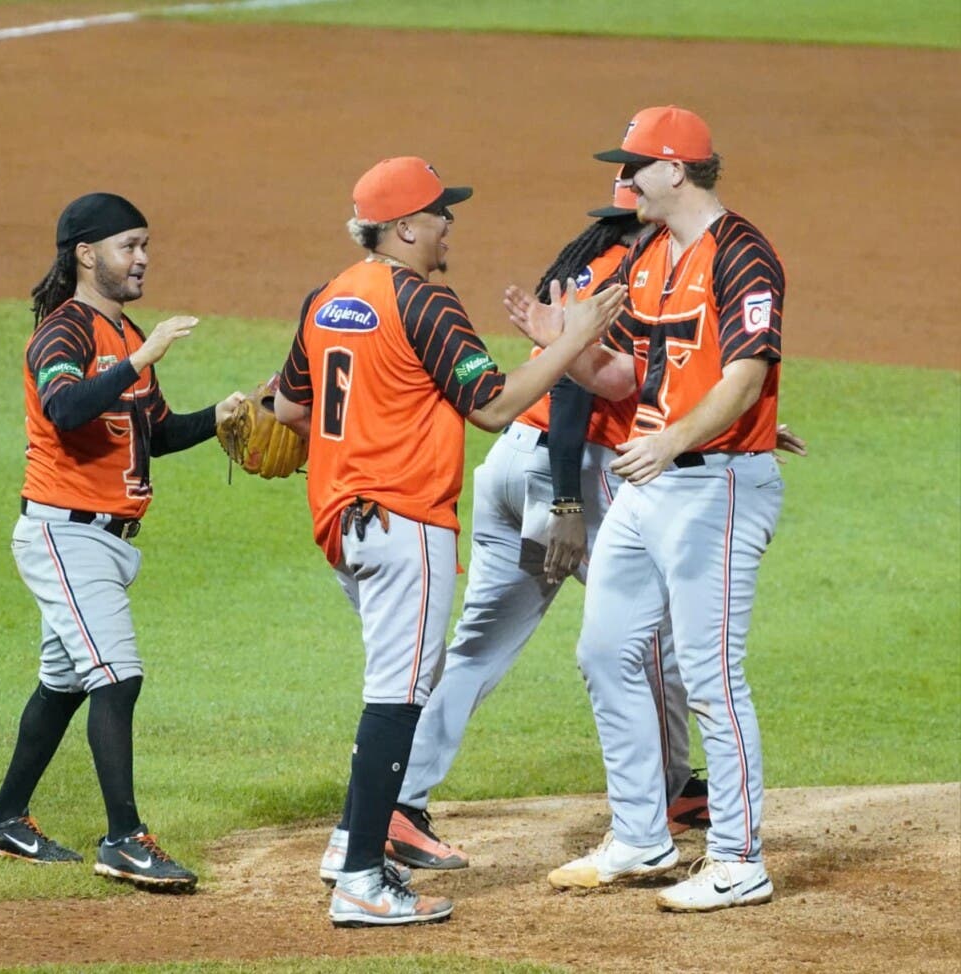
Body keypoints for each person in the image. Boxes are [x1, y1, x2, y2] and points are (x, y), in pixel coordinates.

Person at [271, 156, 629, 927]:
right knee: (397, 696)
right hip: (404, 522)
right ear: (404, 227)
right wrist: (571, 343)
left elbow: (292, 412)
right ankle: (364, 878)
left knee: (395, 684)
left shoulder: (327, 297)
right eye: (439, 214)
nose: (448, 225)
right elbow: (494, 406)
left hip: (341, 524)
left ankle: (348, 843)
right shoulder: (424, 303)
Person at [382, 178, 708, 877]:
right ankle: (670, 790)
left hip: (509, 468)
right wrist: (566, 507)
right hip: (567, 474)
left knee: (477, 649)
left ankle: (398, 800)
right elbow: (568, 386)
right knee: (652, 637)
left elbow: (654, 380)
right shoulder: (629, 274)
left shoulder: (600, 265)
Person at [509, 106, 790, 911]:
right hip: (651, 481)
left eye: (634, 165)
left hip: (716, 484)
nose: (622, 179)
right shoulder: (652, 256)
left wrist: (670, 443)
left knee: (711, 676)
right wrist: (563, 342)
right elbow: (632, 379)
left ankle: (739, 858)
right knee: (605, 650)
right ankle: (641, 835)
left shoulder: (743, 255)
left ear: (676, 170)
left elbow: (744, 379)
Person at [0, 192, 244, 891]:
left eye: (146, 243)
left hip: (107, 541)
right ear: (87, 255)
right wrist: (138, 358)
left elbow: (157, 430)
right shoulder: (63, 334)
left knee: (63, 684)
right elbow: (65, 409)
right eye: (129, 245)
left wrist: (224, 414)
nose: (143, 257)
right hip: (65, 534)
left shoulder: (126, 336)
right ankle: (124, 839)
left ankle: (3, 823)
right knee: (116, 675)